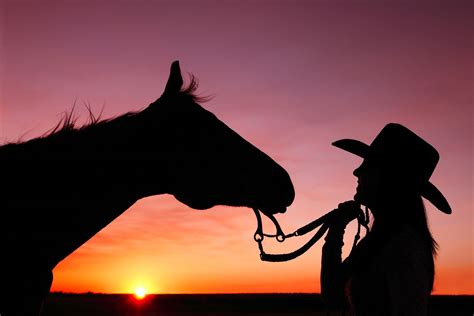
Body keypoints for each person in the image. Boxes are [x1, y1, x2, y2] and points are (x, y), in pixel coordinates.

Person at [321, 123, 452, 316]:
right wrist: (336, 229)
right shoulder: (383, 240)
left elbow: (333, 296)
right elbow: (332, 295)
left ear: (389, 178)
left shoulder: (402, 245)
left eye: (368, 166)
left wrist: (335, 230)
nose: (357, 172)